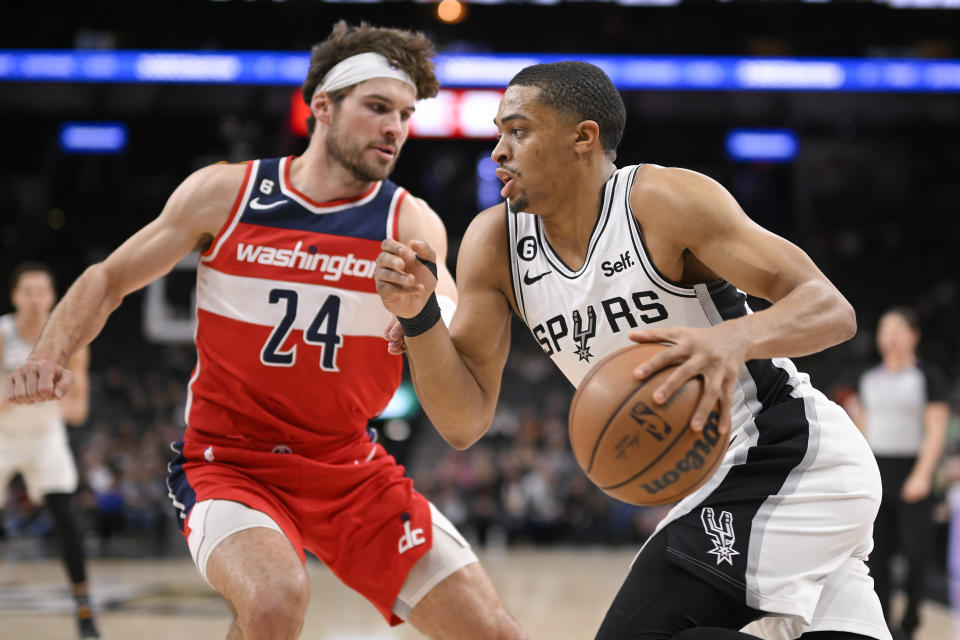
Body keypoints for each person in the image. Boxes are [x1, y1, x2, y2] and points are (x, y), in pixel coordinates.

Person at [6, 22, 525, 640]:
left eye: (406, 114)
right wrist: (51, 351)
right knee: (275, 600)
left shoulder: (410, 222)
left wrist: (424, 317)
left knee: (496, 634)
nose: (396, 128)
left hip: (350, 468)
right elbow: (108, 278)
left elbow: (444, 318)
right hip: (230, 463)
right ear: (323, 107)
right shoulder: (229, 193)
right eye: (378, 107)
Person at [375, 61, 890, 640]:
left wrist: (732, 338)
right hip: (713, 482)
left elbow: (831, 308)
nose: (498, 151)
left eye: (518, 131)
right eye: (498, 133)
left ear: (582, 138)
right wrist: (420, 318)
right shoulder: (494, 243)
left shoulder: (661, 201)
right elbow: (464, 422)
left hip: (784, 452)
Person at [0, 262, 100, 639]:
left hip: (45, 436)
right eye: (28, 291)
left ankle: (85, 610)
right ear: (15, 297)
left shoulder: (71, 340)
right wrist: (21, 390)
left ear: (53, 297)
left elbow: (78, 412)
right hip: (3, 436)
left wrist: (55, 395)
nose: (36, 299)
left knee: (67, 520)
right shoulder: (3, 334)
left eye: (42, 291)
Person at [845, 307, 950, 639]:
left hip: (913, 472)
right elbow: (863, 430)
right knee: (876, 558)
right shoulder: (868, 378)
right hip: (877, 472)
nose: (888, 336)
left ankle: (911, 622)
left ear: (913, 335)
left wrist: (922, 476)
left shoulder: (928, 376)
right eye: (883, 329)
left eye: (896, 329)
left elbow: (936, 431)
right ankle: (883, 626)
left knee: (917, 555)